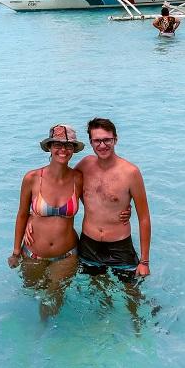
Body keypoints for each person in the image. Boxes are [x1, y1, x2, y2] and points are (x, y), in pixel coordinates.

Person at [9, 124, 85, 320]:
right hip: (32, 253)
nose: (63, 150)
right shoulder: (32, 178)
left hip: (67, 254)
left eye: (68, 146)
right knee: (33, 292)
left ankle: (46, 336)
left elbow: (95, 207)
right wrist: (16, 251)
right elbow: (22, 214)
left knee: (52, 297)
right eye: (58, 144)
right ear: (50, 147)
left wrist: (121, 212)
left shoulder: (78, 178)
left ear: (74, 150)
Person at [75, 117, 151, 281]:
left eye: (107, 140)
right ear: (91, 142)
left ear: (115, 139)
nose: (102, 145)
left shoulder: (130, 172)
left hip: (120, 246)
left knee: (132, 295)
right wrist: (34, 216)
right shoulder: (84, 165)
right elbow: (64, 188)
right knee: (96, 293)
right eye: (97, 141)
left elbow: (144, 218)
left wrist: (144, 261)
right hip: (88, 244)